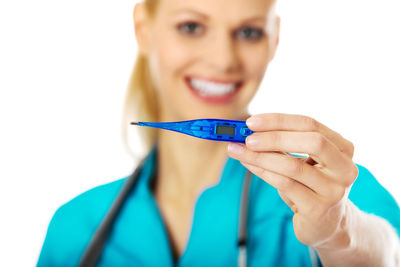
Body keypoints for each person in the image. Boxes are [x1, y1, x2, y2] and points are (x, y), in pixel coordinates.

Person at [37, 0, 400, 266]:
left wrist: (339, 232)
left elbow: (386, 250)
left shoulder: (327, 191)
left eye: (248, 32)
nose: (223, 59)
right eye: (192, 27)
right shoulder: (76, 227)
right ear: (143, 29)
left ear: (274, 40)